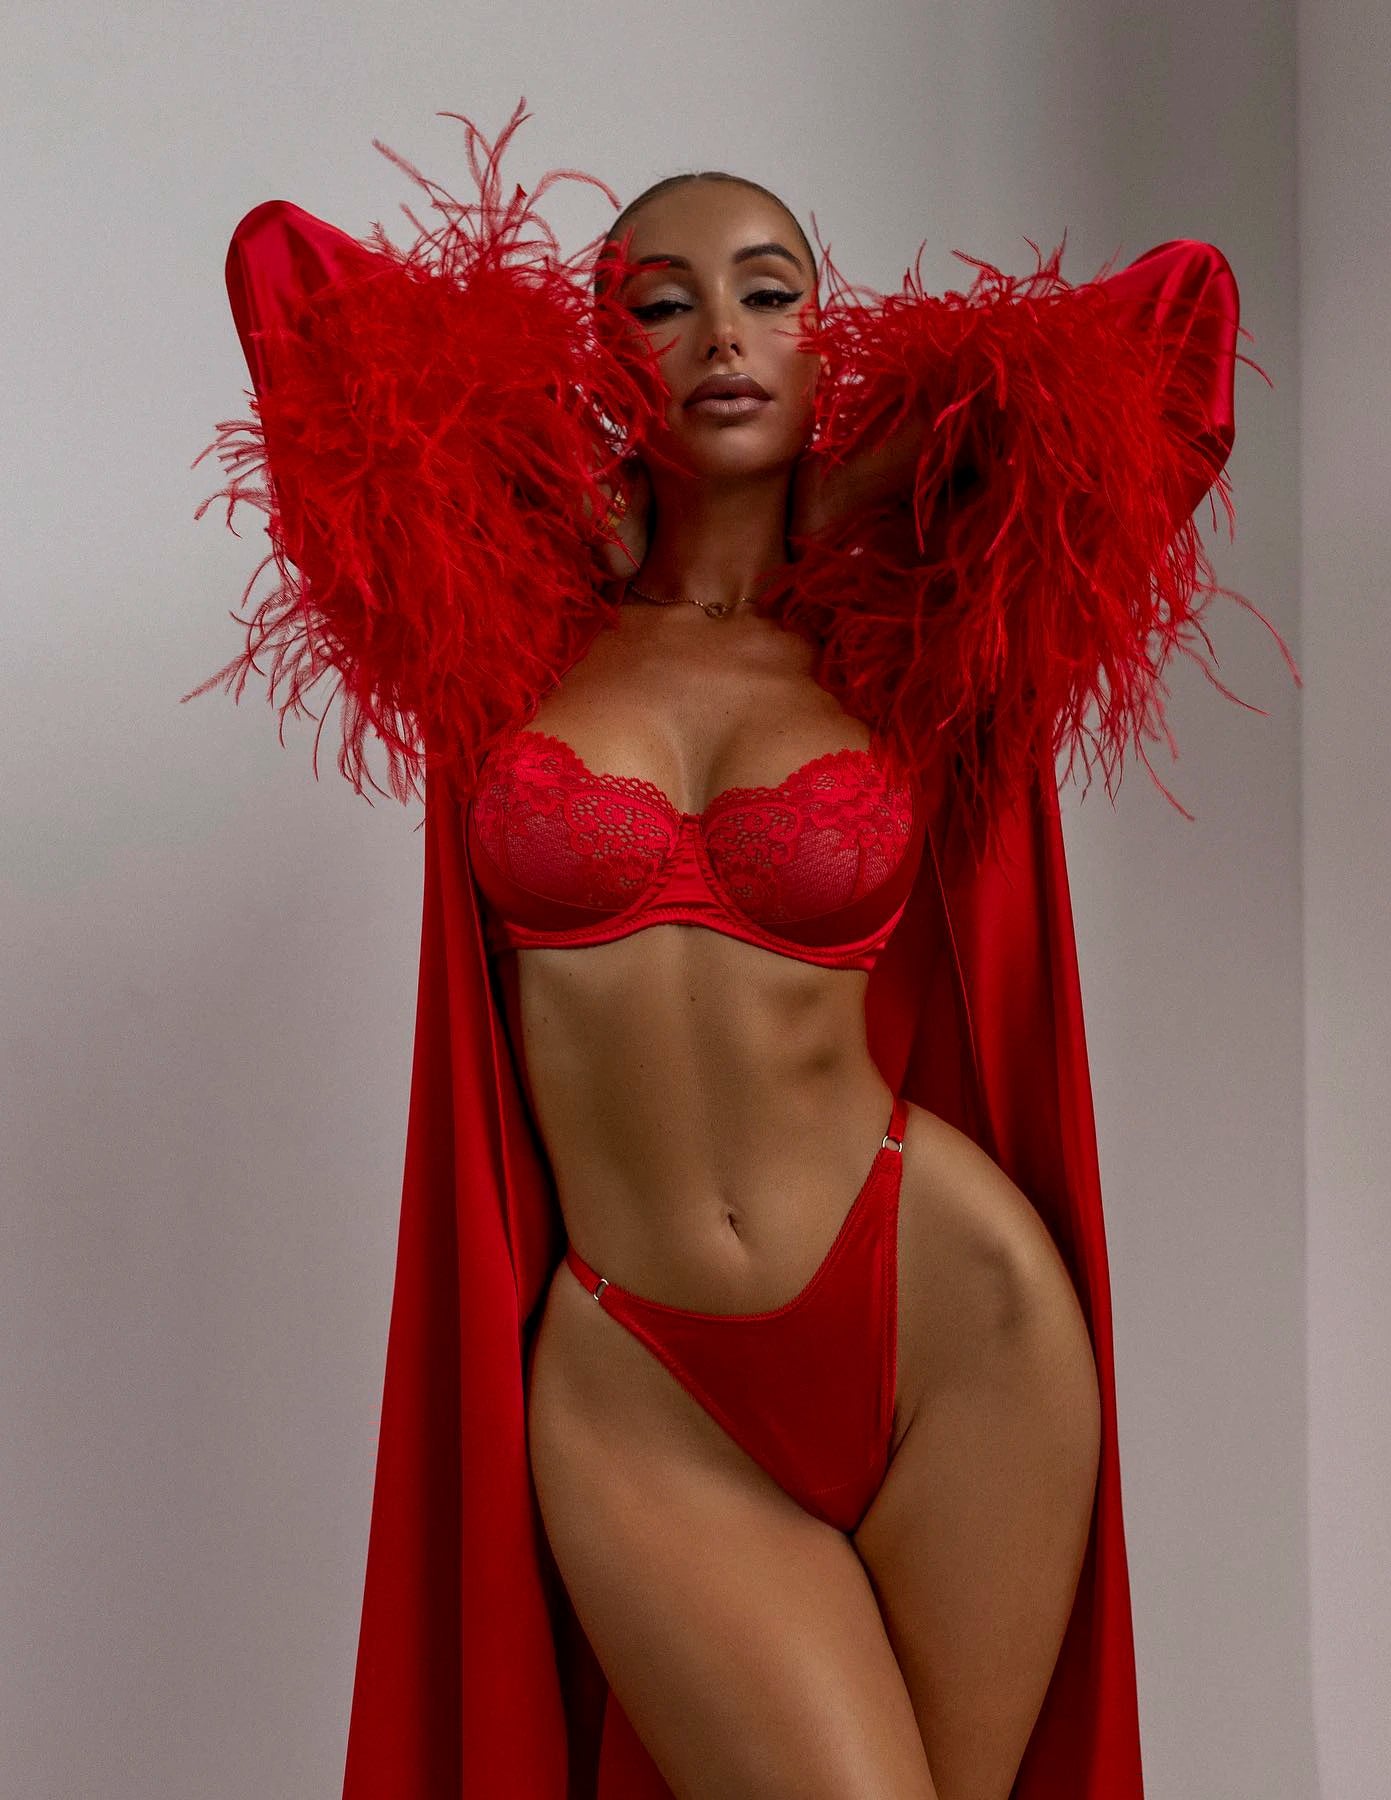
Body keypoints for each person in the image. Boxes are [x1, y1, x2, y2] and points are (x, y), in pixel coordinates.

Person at [188, 98, 1295, 1800]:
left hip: (956, 1322)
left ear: (826, 343)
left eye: (772, 293)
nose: (721, 333)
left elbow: (1183, 321)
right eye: (660, 302)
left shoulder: (917, 639)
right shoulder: (500, 629)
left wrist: (875, 476)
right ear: (600, 350)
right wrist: (549, 472)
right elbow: (285, 277)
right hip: (638, 1371)